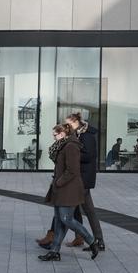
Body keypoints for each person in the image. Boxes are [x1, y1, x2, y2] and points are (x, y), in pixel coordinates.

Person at [38, 123, 101, 262]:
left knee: (66, 219)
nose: (53, 137)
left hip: (69, 189)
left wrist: (59, 182)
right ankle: (54, 251)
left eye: (55, 134)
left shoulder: (71, 146)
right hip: (61, 189)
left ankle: (92, 241)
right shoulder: (62, 145)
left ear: (63, 134)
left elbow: (72, 170)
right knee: (60, 221)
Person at [65, 112, 106, 252]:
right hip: (79, 177)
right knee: (84, 210)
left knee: (72, 211)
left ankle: (94, 240)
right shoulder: (78, 134)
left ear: (76, 122)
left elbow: (89, 156)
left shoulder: (87, 135)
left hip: (83, 178)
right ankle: (91, 239)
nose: (67, 126)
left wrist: (72, 153)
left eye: (68, 124)